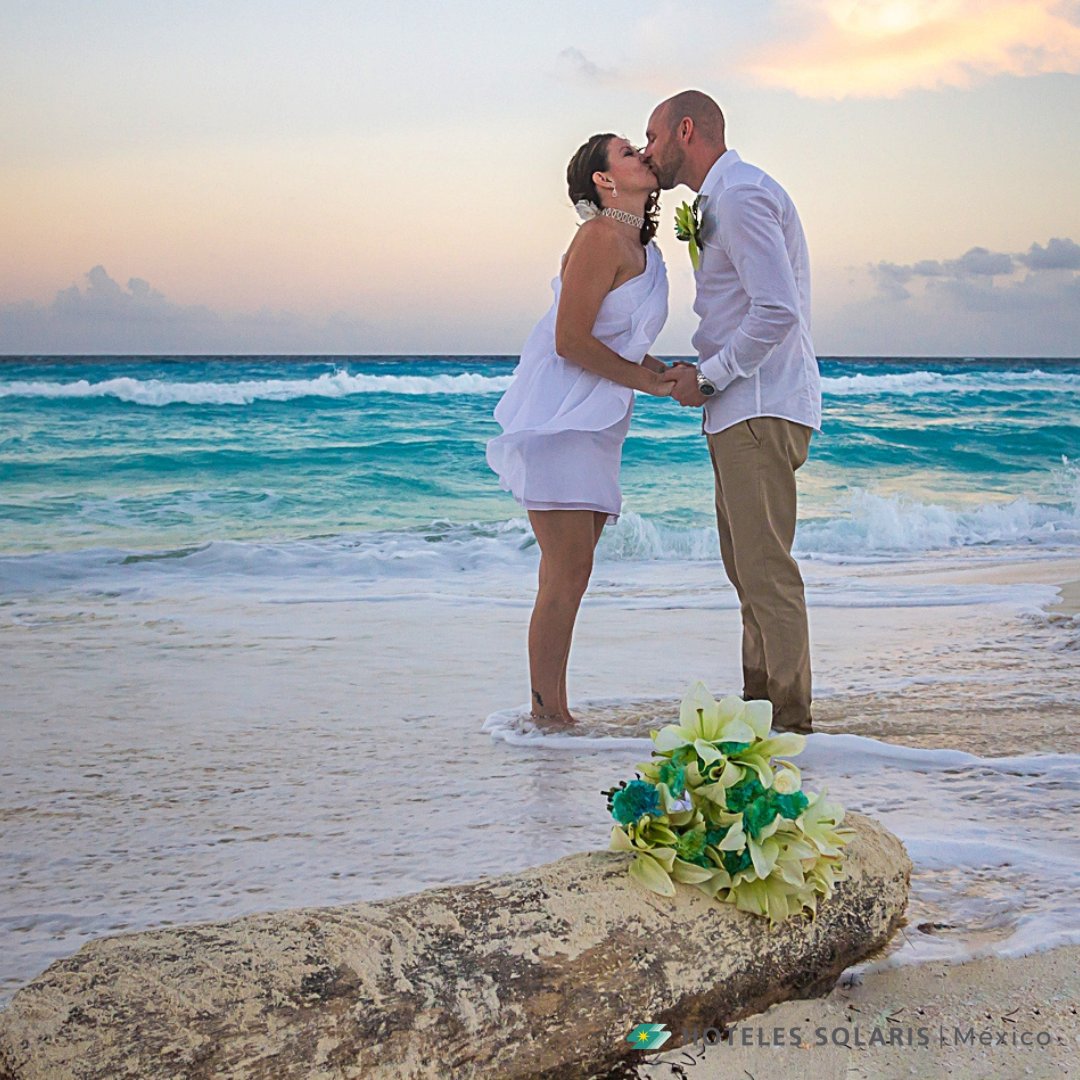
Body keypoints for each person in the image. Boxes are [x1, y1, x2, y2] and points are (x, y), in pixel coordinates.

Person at [642, 90, 822, 734]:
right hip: (739, 408)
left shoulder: (741, 195)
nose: (646, 150)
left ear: (685, 130)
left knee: (766, 573)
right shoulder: (721, 199)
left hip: (756, 405)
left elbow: (777, 310)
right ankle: (760, 719)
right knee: (748, 574)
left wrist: (710, 376)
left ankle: (791, 730)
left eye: (653, 135)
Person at [487, 134, 673, 726]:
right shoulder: (597, 238)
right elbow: (570, 341)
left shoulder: (643, 248)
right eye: (625, 152)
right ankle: (550, 716)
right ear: (603, 179)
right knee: (566, 573)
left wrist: (664, 374)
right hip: (560, 418)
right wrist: (646, 383)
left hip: (599, 422)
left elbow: (613, 342)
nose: (641, 155)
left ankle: (552, 710)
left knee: (571, 571)